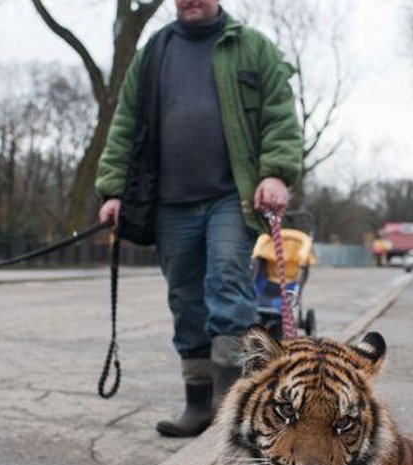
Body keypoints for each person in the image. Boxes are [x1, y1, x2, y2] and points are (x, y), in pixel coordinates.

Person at [96, 0, 302, 437]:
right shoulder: (155, 51)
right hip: (170, 202)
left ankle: (232, 406)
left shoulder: (252, 48)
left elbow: (280, 116)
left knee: (227, 282)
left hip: (232, 195)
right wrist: (113, 190)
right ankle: (197, 403)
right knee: (185, 300)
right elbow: (125, 123)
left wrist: (276, 173)